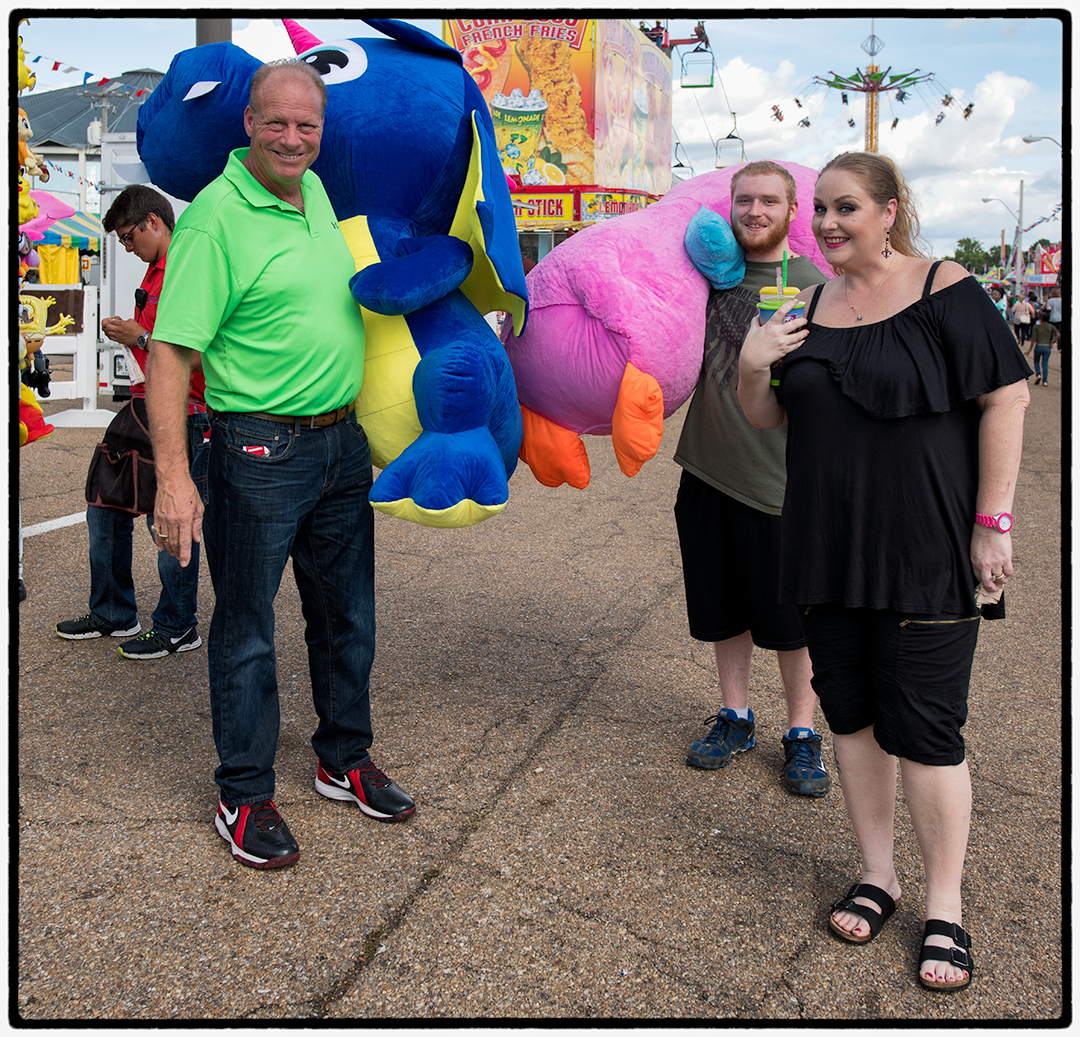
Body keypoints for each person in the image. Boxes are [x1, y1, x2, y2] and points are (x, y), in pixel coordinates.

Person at [738, 151, 1031, 992]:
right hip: (826, 546)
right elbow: (769, 417)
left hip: (925, 545)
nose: (828, 223)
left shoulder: (948, 288)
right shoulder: (803, 305)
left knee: (929, 732)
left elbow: (1006, 394)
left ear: (891, 209)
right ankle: (878, 874)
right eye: (820, 210)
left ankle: (946, 905)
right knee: (854, 718)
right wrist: (756, 362)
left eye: (847, 207)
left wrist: (993, 520)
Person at [146, 60, 415, 871]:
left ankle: (343, 758)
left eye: (308, 126)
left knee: (348, 618)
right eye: (278, 123)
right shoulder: (215, 220)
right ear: (248, 125)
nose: (293, 138)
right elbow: (168, 353)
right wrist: (173, 476)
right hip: (258, 448)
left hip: (339, 445)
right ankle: (245, 790)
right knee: (247, 627)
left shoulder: (316, 193)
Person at [673, 160, 831, 798]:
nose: (755, 212)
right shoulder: (704, 278)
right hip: (708, 470)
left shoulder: (817, 287)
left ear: (793, 212)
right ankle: (735, 716)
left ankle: (802, 731)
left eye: (770, 201)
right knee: (723, 611)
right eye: (745, 201)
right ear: (730, 206)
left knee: (793, 623)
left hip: (780, 484)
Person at [55, 185, 210, 660]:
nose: (125, 247)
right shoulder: (158, 270)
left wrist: (138, 334)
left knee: (171, 519)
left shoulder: (191, 266)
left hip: (186, 411)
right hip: (146, 406)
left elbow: (204, 354)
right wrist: (138, 336)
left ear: (153, 223)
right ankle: (113, 611)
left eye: (127, 236)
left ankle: (178, 624)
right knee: (105, 504)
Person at [1026, 308, 1058, 385]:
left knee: (1036, 361)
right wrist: (1052, 342)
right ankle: (1045, 381)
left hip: (1039, 346)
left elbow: (1033, 339)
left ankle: (1038, 374)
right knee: (1045, 363)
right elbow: (1058, 334)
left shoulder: (1036, 327)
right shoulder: (1050, 326)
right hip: (1047, 346)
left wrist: (1030, 349)